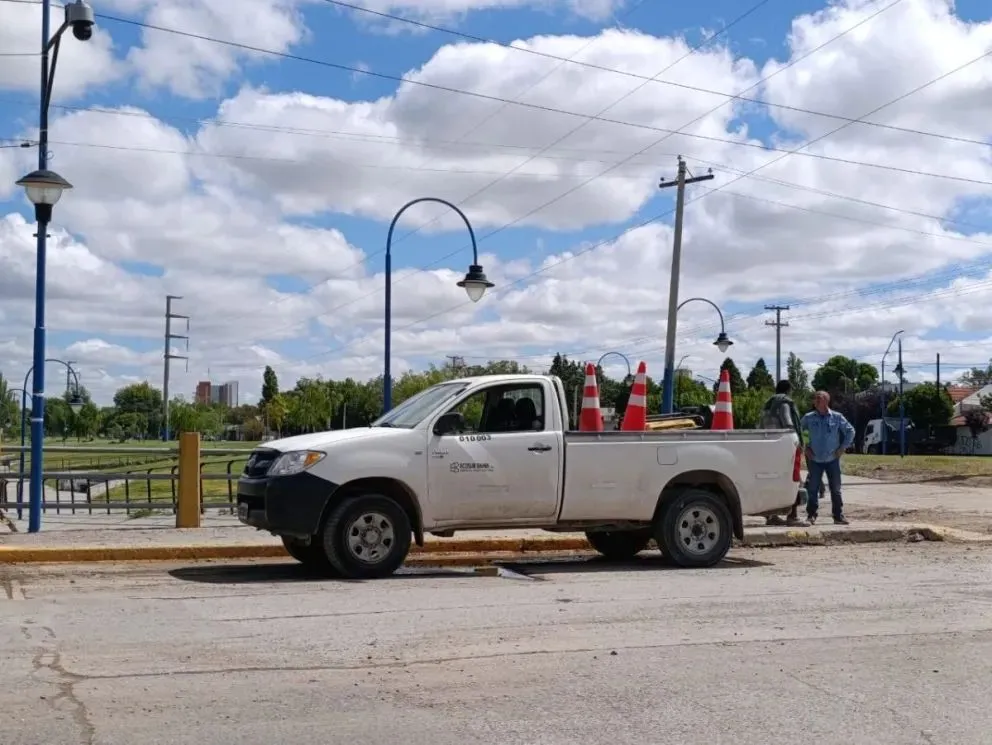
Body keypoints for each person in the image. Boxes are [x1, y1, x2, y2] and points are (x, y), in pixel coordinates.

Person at [800, 390, 856, 525]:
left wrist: (843, 447)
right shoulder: (808, 417)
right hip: (815, 459)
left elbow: (850, 431)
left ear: (827, 400)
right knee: (812, 489)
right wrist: (805, 447)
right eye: (815, 399)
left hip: (832, 459)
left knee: (835, 489)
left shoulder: (837, 417)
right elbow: (798, 431)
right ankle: (811, 515)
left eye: (819, 398)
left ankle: (838, 516)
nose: (816, 401)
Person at [759, 380, 808, 527]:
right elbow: (788, 423)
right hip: (785, 448)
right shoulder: (784, 403)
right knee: (793, 481)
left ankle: (771, 516)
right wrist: (797, 442)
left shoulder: (768, 405)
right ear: (788, 390)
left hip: (769, 447)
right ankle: (792, 516)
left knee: (772, 482)